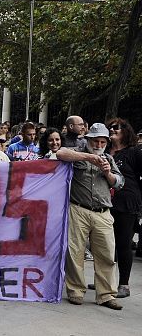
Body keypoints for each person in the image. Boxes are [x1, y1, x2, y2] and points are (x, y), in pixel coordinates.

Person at [55, 123, 124, 310]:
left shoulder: (109, 159)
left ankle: (106, 294)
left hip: (103, 212)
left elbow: (119, 183)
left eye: (102, 141)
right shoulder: (78, 154)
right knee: (74, 252)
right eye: (95, 140)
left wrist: (108, 172)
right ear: (88, 140)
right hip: (78, 208)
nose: (99, 144)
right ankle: (76, 291)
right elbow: (60, 154)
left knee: (107, 254)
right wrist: (89, 158)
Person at [106, 118, 142, 298]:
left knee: (123, 244)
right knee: (106, 244)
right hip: (105, 202)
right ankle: (105, 281)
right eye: (110, 128)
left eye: (116, 128)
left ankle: (124, 284)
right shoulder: (104, 150)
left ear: (125, 131)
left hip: (127, 203)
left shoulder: (134, 152)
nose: (112, 130)